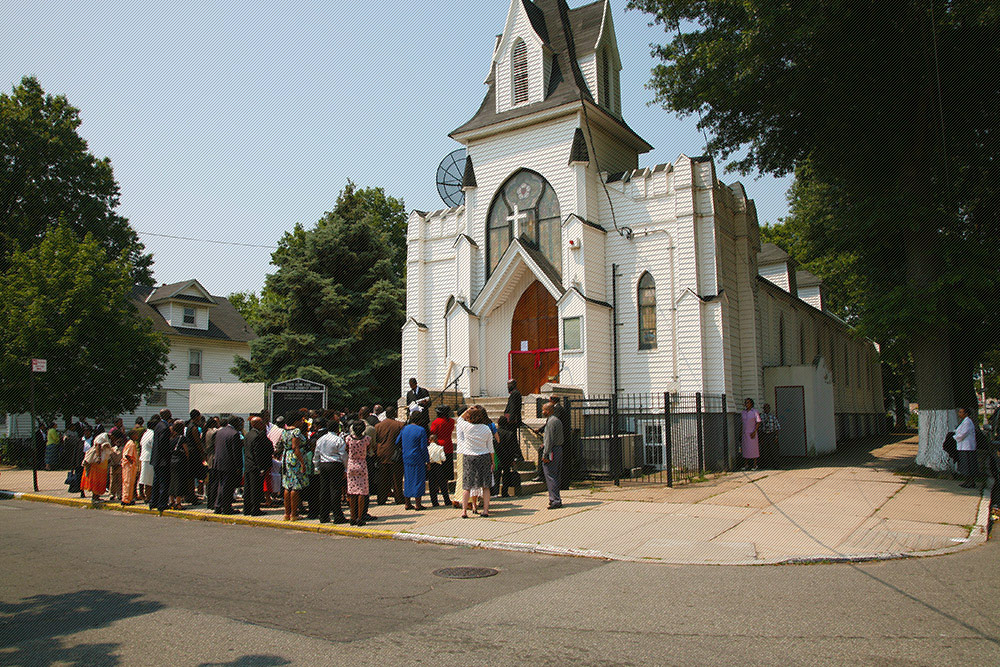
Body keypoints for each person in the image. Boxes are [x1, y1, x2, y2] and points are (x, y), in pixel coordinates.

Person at [456, 405, 495, 518]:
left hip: (469, 456)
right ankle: (486, 510)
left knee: (467, 486)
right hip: (484, 456)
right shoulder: (486, 429)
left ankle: (464, 511)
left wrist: (468, 409)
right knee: (485, 486)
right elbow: (490, 447)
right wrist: (492, 461)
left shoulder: (467, 427)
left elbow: (459, 419)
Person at [313, 418, 348, 524]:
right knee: (335, 490)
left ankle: (323, 515)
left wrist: (317, 466)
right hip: (335, 465)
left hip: (324, 464)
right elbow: (343, 455)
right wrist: (346, 468)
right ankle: (338, 515)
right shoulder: (338, 440)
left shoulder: (321, 439)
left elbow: (316, 454)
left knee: (324, 490)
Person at [397, 411, 430, 511]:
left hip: (406, 457)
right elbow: (423, 447)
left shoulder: (404, 429)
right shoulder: (421, 430)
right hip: (417, 457)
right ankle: (418, 503)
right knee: (418, 480)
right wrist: (427, 460)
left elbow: (397, 441)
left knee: (408, 479)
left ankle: (407, 502)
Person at [373, 405, 406, 505]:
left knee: (382, 479)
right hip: (395, 455)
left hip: (381, 454)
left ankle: (381, 499)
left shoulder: (378, 426)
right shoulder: (400, 425)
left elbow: (376, 441)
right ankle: (399, 498)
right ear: (395, 413)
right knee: (397, 478)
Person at [280, 412, 309, 521]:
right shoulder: (296, 431)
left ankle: (286, 513)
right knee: (295, 486)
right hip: (295, 459)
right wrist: (302, 462)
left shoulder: (284, 431)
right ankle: (294, 514)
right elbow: (295, 447)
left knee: (287, 485)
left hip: (286, 457)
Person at [213, 416, 243, 514]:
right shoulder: (234, 434)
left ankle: (218, 506)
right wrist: (239, 466)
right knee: (228, 487)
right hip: (229, 464)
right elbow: (236, 452)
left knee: (221, 485)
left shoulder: (219, 432)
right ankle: (226, 508)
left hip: (219, 463)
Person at [243, 416, 272, 516]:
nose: (263, 425)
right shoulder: (258, 436)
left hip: (248, 465)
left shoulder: (248, 435)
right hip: (256, 466)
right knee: (256, 489)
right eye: (260, 423)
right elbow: (258, 453)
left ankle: (247, 509)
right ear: (254, 424)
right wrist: (261, 468)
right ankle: (255, 509)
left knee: (248, 489)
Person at [345, 420, 371, 525]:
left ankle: (352, 516)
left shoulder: (348, 439)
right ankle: (360, 517)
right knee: (361, 491)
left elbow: (346, 449)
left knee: (351, 491)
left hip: (351, 463)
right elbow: (369, 449)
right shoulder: (366, 439)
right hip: (362, 464)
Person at [149, 409, 173, 511]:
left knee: (156, 481)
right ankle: (162, 503)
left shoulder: (158, 426)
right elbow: (164, 445)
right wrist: (168, 456)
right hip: (163, 460)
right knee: (164, 482)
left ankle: (153, 501)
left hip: (156, 458)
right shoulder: (165, 427)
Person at [540, 401, 563, 509]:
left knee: (550, 475)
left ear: (548, 411)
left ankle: (555, 500)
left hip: (552, 451)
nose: (542, 411)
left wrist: (545, 454)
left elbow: (549, 440)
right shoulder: (557, 420)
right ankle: (554, 497)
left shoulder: (550, 422)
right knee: (555, 475)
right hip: (558, 449)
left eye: (544, 410)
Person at [430, 405, 456, 492]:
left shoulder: (436, 422)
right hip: (448, 445)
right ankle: (444, 486)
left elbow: (433, 433)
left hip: (439, 445)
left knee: (438, 468)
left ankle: (437, 486)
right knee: (447, 467)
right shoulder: (451, 421)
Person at [495, 415, 522, 497]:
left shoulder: (495, 433)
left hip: (497, 457)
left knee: (496, 474)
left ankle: (495, 491)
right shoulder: (510, 434)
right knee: (506, 474)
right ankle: (504, 492)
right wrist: (514, 458)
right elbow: (513, 447)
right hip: (507, 457)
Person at [81, 432, 111, 501]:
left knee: (100, 480)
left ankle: (96, 496)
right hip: (98, 464)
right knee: (96, 479)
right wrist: (99, 457)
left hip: (102, 464)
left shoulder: (107, 439)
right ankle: (95, 496)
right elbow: (98, 445)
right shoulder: (103, 436)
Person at [168, 420, 189, 510]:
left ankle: (171, 501)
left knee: (172, 481)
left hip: (172, 461)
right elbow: (186, 451)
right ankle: (178, 502)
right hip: (180, 461)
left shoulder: (172, 438)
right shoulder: (182, 438)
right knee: (179, 481)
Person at [955, 407, 978, 488]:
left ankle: (971, 482)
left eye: (961, 412)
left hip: (967, 446)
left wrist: (955, 437)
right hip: (963, 446)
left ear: (966, 414)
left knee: (969, 464)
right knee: (965, 464)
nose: (959, 414)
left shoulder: (967, 422)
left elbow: (963, 433)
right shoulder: (964, 422)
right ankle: (967, 480)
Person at [138, 415, 157, 502]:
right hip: (149, 458)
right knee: (149, 480)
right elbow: (154, 446)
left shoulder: (145, 433)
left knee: (144, 479)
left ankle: (145, 495)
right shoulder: (152, 434)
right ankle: (148, 497)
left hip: (144, 457)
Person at [427, 434, 449, 506]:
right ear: (436, 440)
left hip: (430, 466)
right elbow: (443, 458)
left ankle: (434, 502)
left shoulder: (427, 448)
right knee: (442, 484)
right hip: (438, 466)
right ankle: (446, 500)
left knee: (432, 484)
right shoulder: (439, 448)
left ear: (429, 441)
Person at [121, 428, 141, 504]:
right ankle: (125, 499)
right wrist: (131, 462)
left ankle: (129, 498)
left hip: (131, 466)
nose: (137, 436)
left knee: (131, 482)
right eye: (136, 434)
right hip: (129, 466)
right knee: (127, 482)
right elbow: (127, 455)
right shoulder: (131, 444)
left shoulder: (132, 443)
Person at [741, 398, 762, 471]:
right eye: (745, 403)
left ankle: (755, 465)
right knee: (745, 449)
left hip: (752, 433)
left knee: (753, 449)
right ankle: (746, 464)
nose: (746, 404)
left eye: (748, 403)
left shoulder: (754, 412)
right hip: (745, 433)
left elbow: (758, 421)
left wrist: (754, 431)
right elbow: (742, 423)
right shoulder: (743, 412)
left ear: (751, 404)